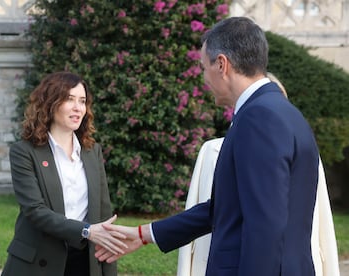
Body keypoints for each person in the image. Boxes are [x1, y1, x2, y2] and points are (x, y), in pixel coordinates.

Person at [95, 17, 320, 276]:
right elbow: (227, 208)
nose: (203, 78)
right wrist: (144, 234)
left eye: (204, 67)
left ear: (222, 64)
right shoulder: (282, 112)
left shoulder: (259, 118)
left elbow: (265, 227)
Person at [177, 73, 340, 276]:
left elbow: (317, 218)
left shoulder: (291, 142)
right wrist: (149, 233)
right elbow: (213, 208)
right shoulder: (213, 150)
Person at [2, 71, 126, 276]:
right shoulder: (24, 152)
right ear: (50, 103)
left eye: (83, 101)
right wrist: (86, 231)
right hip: (36, 265)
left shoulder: (92, 151)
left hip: (84, 262)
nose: (78, 108)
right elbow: (35, 211)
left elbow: (103, 216)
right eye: (70, 99)